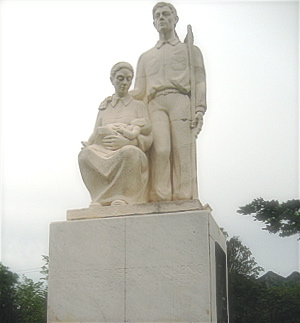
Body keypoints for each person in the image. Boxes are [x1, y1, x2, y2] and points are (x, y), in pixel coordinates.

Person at [132, 2, 207, 202]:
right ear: (154, 22)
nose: (161, 18)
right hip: (154, 103)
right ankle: (160, 196)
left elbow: (199, 81)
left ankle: (184, 195)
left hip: (179, 98)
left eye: (166, 14)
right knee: (161, 150)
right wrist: (118, 97)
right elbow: (139, 90)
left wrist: (199, 108)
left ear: (175, 19)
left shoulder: (190, 51)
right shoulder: (146, 57)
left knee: (183, 150)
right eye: (157, 15)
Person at [78, 62, 152, 206]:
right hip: (103, 150)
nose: (125, 82)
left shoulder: (138, 106)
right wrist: (91, 144)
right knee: (85, 155)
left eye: (128, 79)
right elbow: (96, 133)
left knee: (130, 152)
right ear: (112, 80)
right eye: (120, 78)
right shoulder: (104, 107)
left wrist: (129, 142)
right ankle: (100, 199)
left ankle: (124, 198)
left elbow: (149, 138)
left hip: (128, 150)